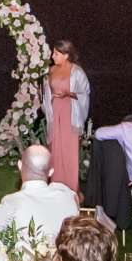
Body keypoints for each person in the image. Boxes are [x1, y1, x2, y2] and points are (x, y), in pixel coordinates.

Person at [39, 41, 91, 189]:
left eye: (56, 53)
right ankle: (55, 185)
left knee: (69, 151)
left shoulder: (77, 72)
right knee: (55, 149)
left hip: (70, 113)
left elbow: (85, 92)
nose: (52, 56)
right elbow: (46, 92)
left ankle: (71, 188)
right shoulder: (51, 70)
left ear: (66, 55)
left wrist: (69, 93)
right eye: (53, 53)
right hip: (55, 113)